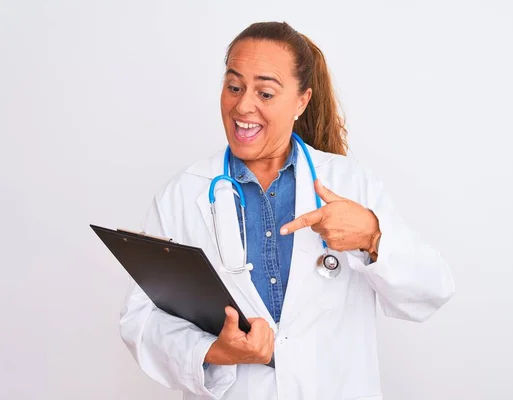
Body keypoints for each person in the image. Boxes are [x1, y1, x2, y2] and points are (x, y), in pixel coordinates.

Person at [119, 21, 455, 400]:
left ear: (301, 101)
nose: (243, 105)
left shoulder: (350, 184)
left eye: (265, 92)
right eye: (233, 87)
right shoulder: (182, 195)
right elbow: (142, 320)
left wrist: (373, 238)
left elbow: (431, 291)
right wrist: (212, 351)